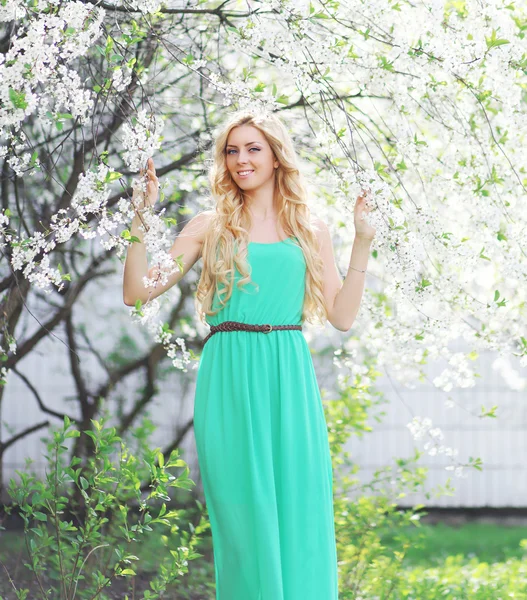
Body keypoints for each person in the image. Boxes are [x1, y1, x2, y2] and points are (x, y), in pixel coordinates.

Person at [123, 109, 375, 599]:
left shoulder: (309, 228)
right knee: (245, 518)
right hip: (230, 376)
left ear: (277, 156)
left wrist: (362, 239)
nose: (241, 160)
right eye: (232, 150)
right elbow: (137, 291)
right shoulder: (208, 225)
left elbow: (342, 316)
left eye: (253, 148)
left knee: (300, 510)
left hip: (289, 373)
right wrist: (139, 216)